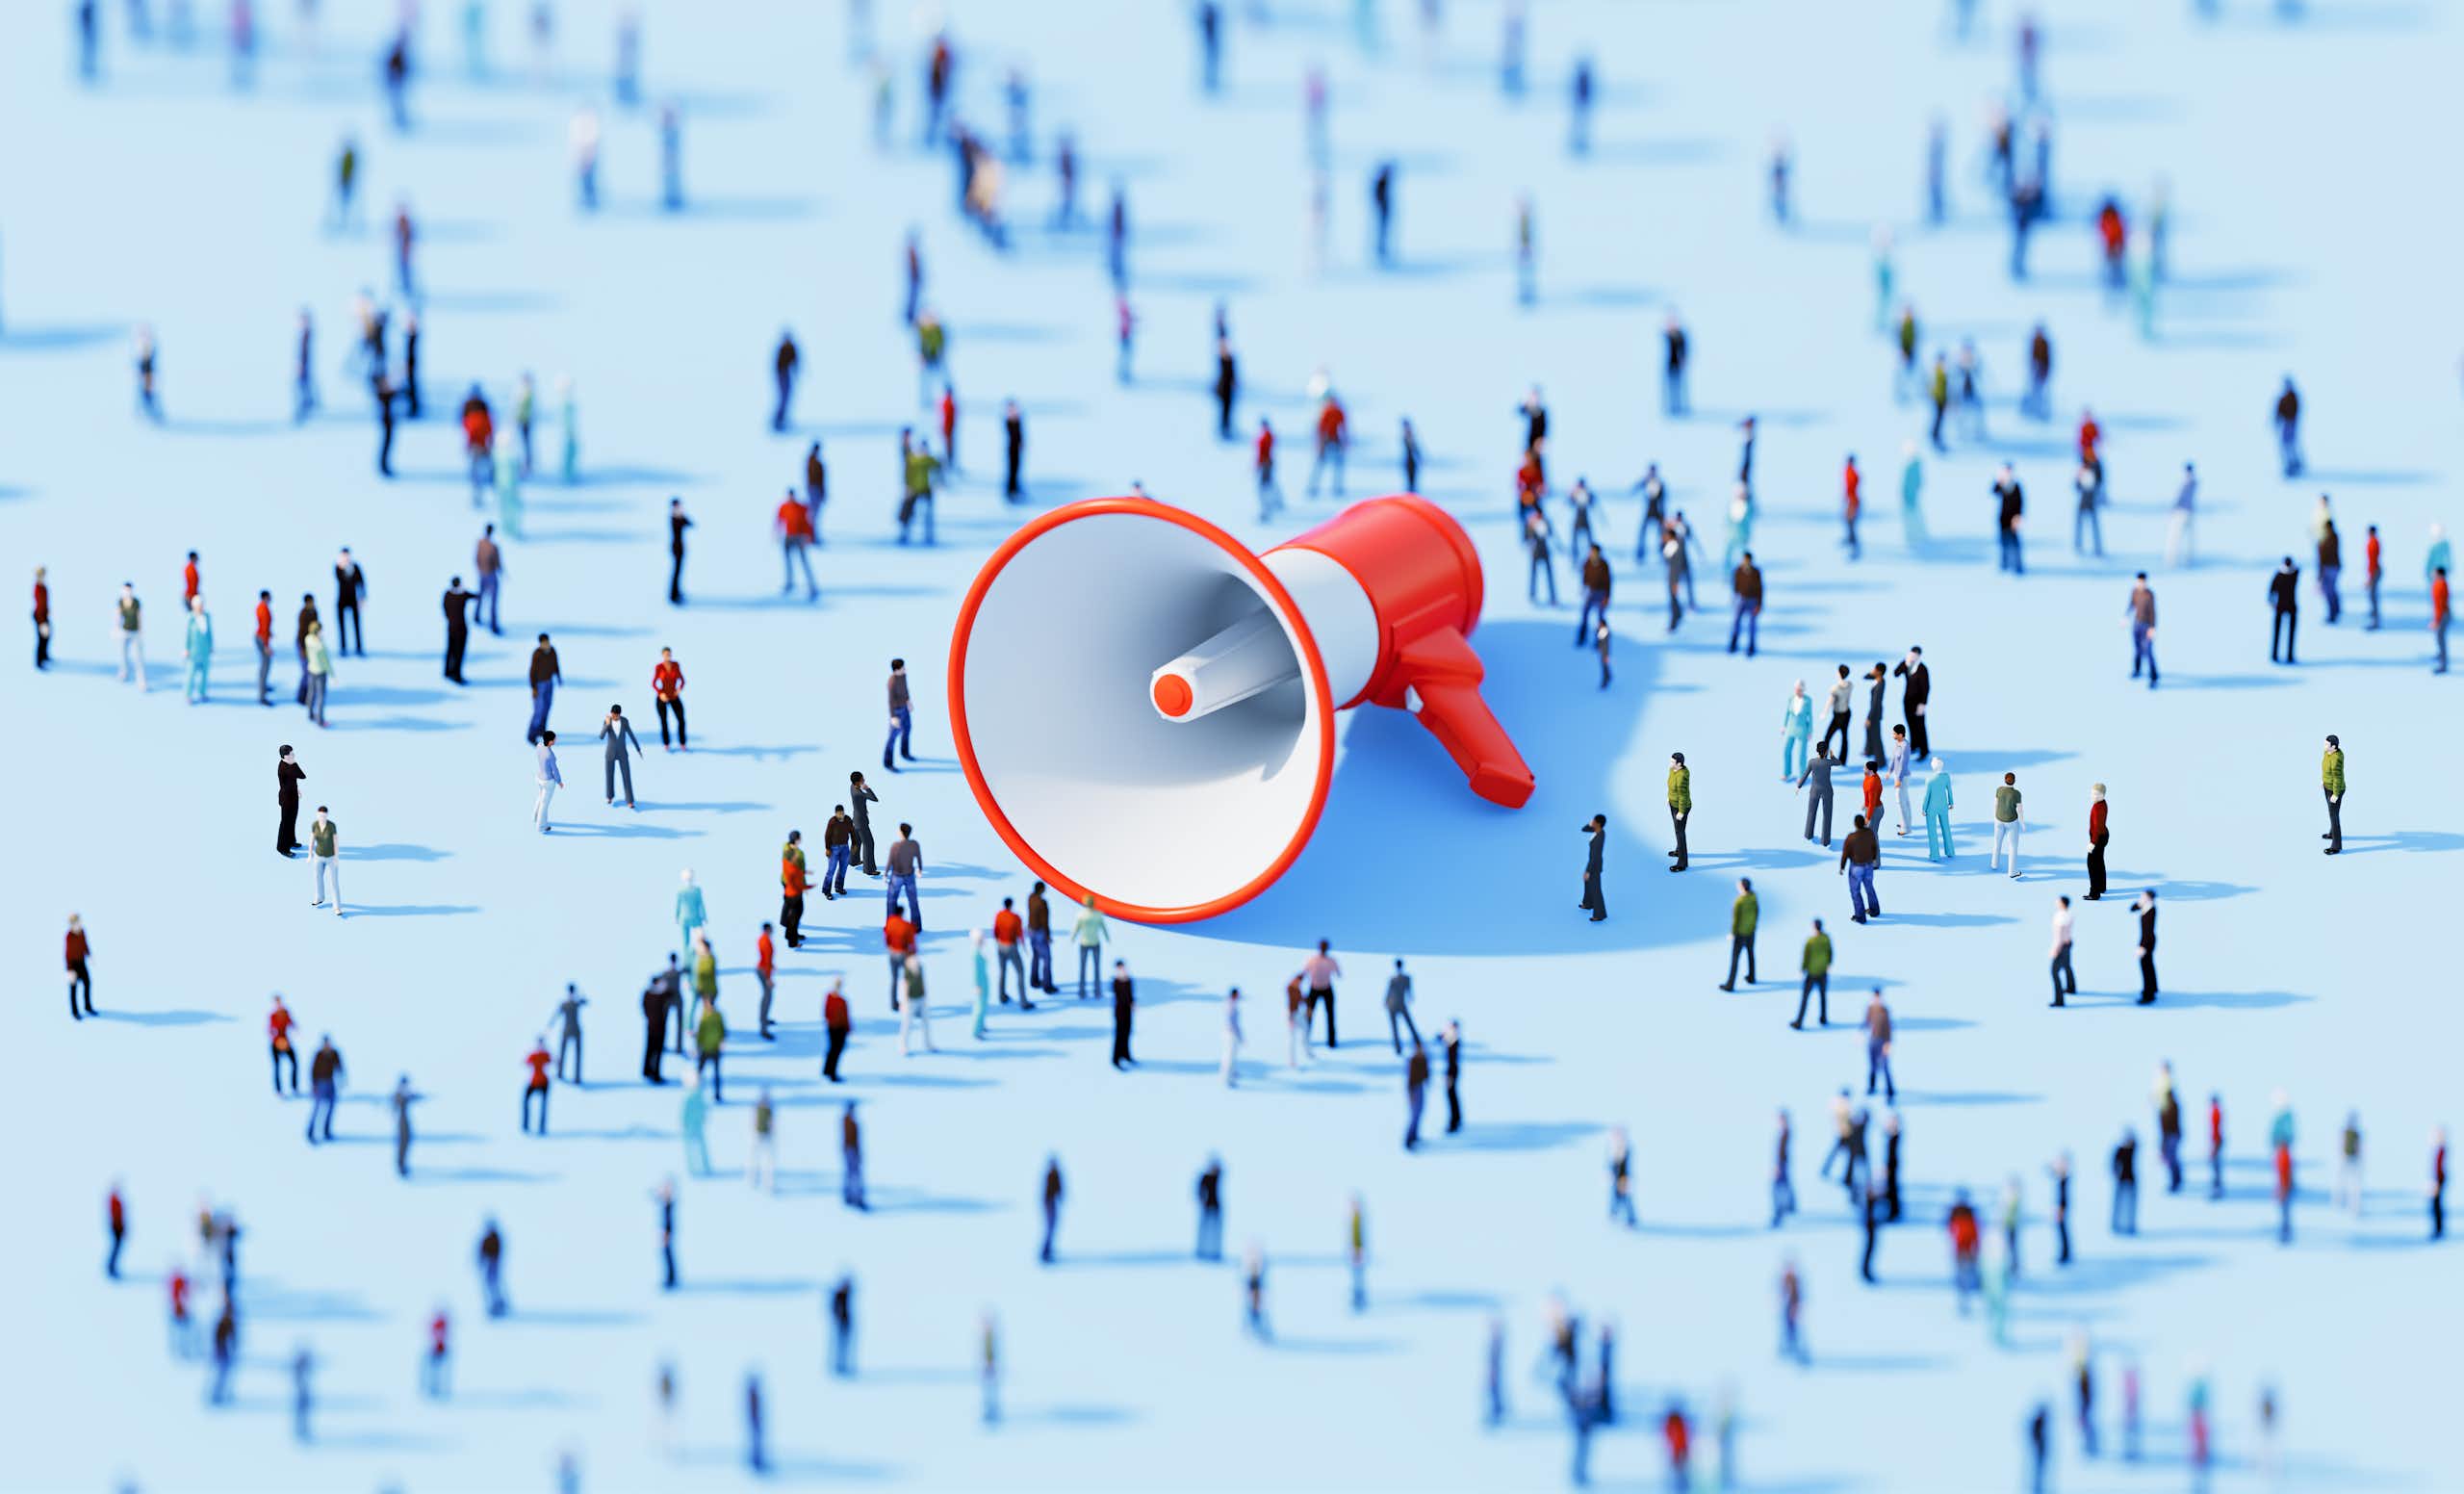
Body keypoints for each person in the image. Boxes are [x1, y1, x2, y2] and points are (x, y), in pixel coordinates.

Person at [597, 704, 643, 809]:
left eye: (617, 715)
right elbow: (601, 736)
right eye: (613, 714)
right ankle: (609, 796)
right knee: (609, 775)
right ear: (611, 713)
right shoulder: (607, 721)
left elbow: (631, 735)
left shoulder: (625, 721)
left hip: (622, 753)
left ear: (619, 714)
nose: (615, 717)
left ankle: (630, 800)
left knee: (626, 776)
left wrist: (638, 748)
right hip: (610, 753)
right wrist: (607, 724)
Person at [1797, 742, 1840, 847]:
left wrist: (1799, 786)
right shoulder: (1828, 762)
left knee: (1811, 813)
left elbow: (1805, 775)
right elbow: (1838, 762)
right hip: (1827, 791)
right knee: (1827, 816)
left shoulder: (1812, 762)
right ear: (1826, 752)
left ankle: (1808, 835)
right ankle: (1825, 841)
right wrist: (1832, 755)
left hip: (1814, 791)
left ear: (1817, 750)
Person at [1300, 939, 1342, 1047]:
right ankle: (1306, 1039)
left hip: (1326, 989)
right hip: (1315, 990)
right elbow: (1304, 973)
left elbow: (1338, 973)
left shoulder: (1328, 961)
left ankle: (1331, 1042)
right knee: (1309, 1015)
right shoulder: (1315, 960)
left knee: (1329, 1016)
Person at [1840, 814, 1881, 922]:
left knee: (1855, 891)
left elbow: (1845, 853)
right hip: (1868, 865)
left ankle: (1860, 916)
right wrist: (1872, 859)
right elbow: (1874, 847)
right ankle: (1874, 910)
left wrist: (1842, 867)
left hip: (1856, 867)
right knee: (1869, 887)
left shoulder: (1851, 837)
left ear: (1855, 824)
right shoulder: (1870, 833)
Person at [1793, 920, 1833, 1029]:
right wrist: (1829, 964)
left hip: (1812, 973)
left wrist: (1802, 969)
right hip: (1823, 972)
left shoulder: (1811, 942)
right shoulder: (1826, 939)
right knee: (1823, 996)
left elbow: (1806, 957)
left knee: (1805, 998)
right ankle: (1823, 1018)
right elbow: (1830, 952)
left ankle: (1799, 1022)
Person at [693, 975, 727, 1101]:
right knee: (702, 1070)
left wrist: (722, 1040)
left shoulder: (710, 1017)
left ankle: (716, 1093)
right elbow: (702, 1033)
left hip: (712, 1048)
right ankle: (697, 1088)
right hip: (708, 1048)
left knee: (713, 1073)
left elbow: (721, 1030)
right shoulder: (715, 1016)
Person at [1720, 878, 1758, 990]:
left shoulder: (1739, 902)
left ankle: (1730, 984)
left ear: (1742, 887)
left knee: (1735, 959)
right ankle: (1752, 977)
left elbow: (1736, 920)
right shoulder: (1753, 898)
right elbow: (1756, 913)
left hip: (1740, 934)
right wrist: (1753, 927)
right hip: (1751, 932)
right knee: (1751, 955)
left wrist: (1733, 933)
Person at [885, 822, 923, 926]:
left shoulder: (895, 846)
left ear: (901, 833)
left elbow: (890, 861)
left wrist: (885, 874)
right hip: (910, 876)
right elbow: (919, 858)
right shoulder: (914, 844)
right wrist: (920, 870)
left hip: (897, 875)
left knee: (891, 900)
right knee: (913, 901)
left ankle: (890, 924)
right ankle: (917, 926)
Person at [526, 632, 561, 743]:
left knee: (547, 706)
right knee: (539, 709)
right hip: (539, 685)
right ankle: (532, 733)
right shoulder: (537, 654)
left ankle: (541, 729)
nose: (546, 645)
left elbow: (556, 664)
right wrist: (534, 687)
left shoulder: (552, 651)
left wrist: (558, 676)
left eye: (547, 642)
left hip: (549, 683)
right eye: (543, 643)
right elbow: (532, 671)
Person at [897, 952, 934, 1055]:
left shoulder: (920, 968)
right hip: (910, 1001)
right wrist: (903, 1002)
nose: (915, 960)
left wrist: (925, 995)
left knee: (926, 1022)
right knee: (907, 1024)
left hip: (921, 998)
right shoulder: (906, 972)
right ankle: (903, 1046)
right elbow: (903, 987)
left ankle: (928, 1044)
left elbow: (923, 982)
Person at [650, 648, 685, 750]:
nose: (668, 656)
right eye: (666, 655)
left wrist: (679, 689)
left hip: (674, 696)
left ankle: (682, 743)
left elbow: (682, 680)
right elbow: (654, 683)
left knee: (681, 720)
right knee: (664, 721)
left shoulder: (676, 665)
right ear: (663, 655)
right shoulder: (659, 667)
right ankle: (666, 744)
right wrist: (660, 693)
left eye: (669, 654)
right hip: (663, 697)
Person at [884, 657, 915, 769]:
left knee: (907, 729)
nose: (904, 669)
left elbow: (905, 690)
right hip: (897, 712)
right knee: (893, 736)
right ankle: (888, 763)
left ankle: (905, 752)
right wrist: (893, 717)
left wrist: (908, 701)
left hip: (905, 709)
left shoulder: (903, 676)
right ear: (896, 670)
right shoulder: (891, 682)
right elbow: (891, 701)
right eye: (902, 668)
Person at [1991, 772, 2025, 878]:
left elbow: (1996, 804)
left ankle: (1994, 864)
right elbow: (2020, 811)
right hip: (2012, 822)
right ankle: (2012, 872)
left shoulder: (1999, 790)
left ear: (2004, 780)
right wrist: (2022, 823)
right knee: (2013, 847)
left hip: (1998, 820)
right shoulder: (2017, 794)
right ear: (2014, 781)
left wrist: (1995, 816)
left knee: (1997, 843)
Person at [551, 984, 586, 1082]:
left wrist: (579, 995)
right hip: (566, 1030)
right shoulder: (565, 1003)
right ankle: (560, 1073)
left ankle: (577, 1077)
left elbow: (585, 1001)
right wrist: (550, 1026)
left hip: (576, 1030)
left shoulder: (576, 1002)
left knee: (578, 1054)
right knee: (562, 1052)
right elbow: (556, 1015)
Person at [1993, 465, 2025, 574]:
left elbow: (2020, 503)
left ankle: (2018, 565)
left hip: (2013, 519)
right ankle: (2004, 564)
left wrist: (2018, 517)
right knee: (2003, 542)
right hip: (2003, 519)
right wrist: (1999, 481)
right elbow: (1994, 491)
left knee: (2015, 543)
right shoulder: (2003, 485)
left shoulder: (2016, 487)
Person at [849, 771, 882, 877]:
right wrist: (867, 788)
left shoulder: (852, 787)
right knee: (869, 844)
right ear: (857, 782)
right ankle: (869, 869)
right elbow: (874, 799)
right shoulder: (859, 793)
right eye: (862, 780)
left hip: (856, 820)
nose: (864, 780)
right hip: (862, 822)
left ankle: (853, 860)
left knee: (857, 842)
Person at [2270, 555, 2301, 664]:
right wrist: (2272, 602)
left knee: (2290, 633)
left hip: (2290, 606)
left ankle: (2289, 655)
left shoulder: (2283, 574)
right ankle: (2275, 655)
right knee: (2277, 633)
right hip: (2281, 606)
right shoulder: (2286, 574)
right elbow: (2271, 591)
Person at [1781, 682, 1813, 781]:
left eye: (1799, 689)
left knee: (1801, 755)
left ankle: (1802, 776)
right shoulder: (1791, 698)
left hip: (1802, 730)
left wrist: (1810, 731)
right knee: (1786, 750)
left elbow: (1810, 717)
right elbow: (1787, 713)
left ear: (1803, 690)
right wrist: (1784, 726)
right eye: (1796, 689)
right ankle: (1786, 773)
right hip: (1790, 728)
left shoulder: (1808, 700)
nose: (1797, 691)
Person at [521, 1035, 552, 1134]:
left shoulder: (545, 1054)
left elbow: (553, 1061)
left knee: (543, 1106)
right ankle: (525, 1126)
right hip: (533, 1082)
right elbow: (525, 1062)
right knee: (525, 1102)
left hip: (543, 1082)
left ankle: (541, 1127)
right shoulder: (535, 1055)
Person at [1666, 753, 1692, 872]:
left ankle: (1682, 863)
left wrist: (1681, 811)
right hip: (1673, 803)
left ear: (1679, 764)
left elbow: (1683, 795)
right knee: (1678, 830)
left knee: (1680, 832)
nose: (1670, 764)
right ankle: (1678, 851)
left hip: (1680, 807)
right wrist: (1669, 798)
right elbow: (1671, 786)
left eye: (1672, 762)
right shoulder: (1673, 770)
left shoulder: (1682, 777)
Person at [1578, 812, 1606, 921]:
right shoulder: (1597, 831)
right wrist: (1590, 824)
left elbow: (1595, 857)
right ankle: (1588, 903)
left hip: (1594, 865)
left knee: (1596, 889)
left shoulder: (1599, 837)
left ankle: (1600, 914)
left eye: (1594, 821)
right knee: (1587, 884)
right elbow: (1584, 829)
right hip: (1593, 863)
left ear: (1598, 824)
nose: (1592, 822)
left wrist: (1588, 871)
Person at [2321, 734, 2346, 854]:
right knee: (2332, 813)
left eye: (2326, 744)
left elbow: (2337, 777)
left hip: (2334, 789)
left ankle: (2336, 846)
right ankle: (2332, 833)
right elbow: (2325, 769)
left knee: (2334, 816)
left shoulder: (2336, 759)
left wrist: (2335, 794)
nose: (2324, 746)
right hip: (2327, 786)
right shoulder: (2327, 753)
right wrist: (2323, 780)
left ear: (2334, 747)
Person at [532, 731, 562, 833]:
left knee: (540, 797)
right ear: (550, 742)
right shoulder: (550, 755)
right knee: (544, 805)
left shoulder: (539, 746)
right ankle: (541, 826)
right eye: (554, 739)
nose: (555, 740)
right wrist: (559, 781)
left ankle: (535, 817)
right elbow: (555, 770)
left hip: (539, 777)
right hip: (548, 781)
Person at [1404, 1039, 1431, 1149]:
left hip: (1420, 1088)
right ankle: (1409, 1139)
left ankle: (1415, 1135)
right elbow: (1410, 1080)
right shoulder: (1413, 1060)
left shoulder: (1423, 1059)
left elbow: (1426, 1074)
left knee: (1420, 1112)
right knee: (1414, 1114)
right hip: (1414, 1088)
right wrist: (1410, 1094)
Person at [1607, 1128, 1637, 1226]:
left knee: (1625, 1198)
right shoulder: (1615, 1149)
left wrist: (1622, 1179)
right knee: (1617, 1197)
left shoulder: (1624, 1150)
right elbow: (1614, 1165)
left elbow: (1622, 1166)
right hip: (1618, 1178)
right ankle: (1614, 1212)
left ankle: (1630, 1218)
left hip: (1623, 1178)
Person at [2273, 376, 2302, 477]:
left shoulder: (2293, 397)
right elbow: (2278, 411)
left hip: (2290, 424)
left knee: (2290, 444)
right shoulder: (2283, 398)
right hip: (2285, 424)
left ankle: (2294, 463)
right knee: (2285, 445)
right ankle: (2290, 464)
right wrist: (2276, 421)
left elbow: (2296, 411)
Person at [1109, 959, 1136, 1068]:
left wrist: (1133, 1003)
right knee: (1119, 1034)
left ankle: (1126, 1054)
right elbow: (1120, 996)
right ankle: (1116, 1058)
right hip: (1120, 1011)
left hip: (1128, 1010)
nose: (1122, 970)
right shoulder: (1116, 982)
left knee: (1127, 1032)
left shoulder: (1129, 980)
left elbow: (1130, 994)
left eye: (1123, 967)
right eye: (1120, 968)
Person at [823, 979, 850, 1082]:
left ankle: (827, 1069)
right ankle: (831, 1072)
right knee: (835, 1050)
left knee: (833, 1049)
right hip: (837, 1028)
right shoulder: (840, 1001)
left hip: (832, 1027)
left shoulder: (830, 998)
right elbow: (844, 1017)